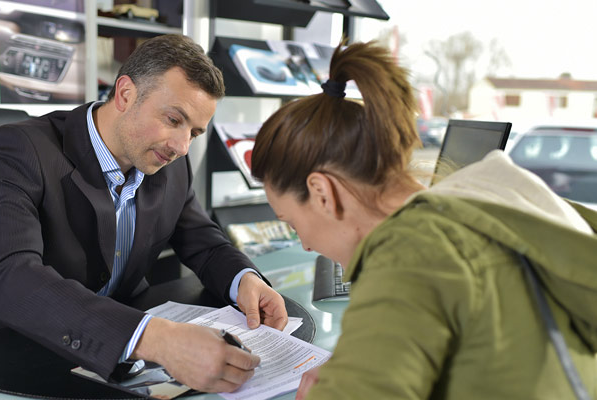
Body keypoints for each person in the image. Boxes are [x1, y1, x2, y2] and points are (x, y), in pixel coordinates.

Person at [0, 34, 288, 393]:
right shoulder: (15, 150)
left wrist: (245, 279)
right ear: (125, 94)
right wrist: (155, 339)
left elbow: (205, 243)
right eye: (173, 119)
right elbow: (7, 277)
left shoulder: (169, 166)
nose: (181, 147)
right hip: (1, 355)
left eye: (194, 133)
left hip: (110, 357)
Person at [251, 40, 597, 399]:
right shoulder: (482, 202)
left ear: (323, 193)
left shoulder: (409, 254)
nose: (305, 244)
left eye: (292, 223)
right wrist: (364, 361)